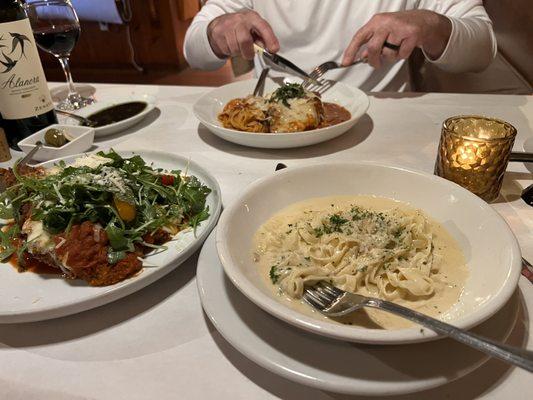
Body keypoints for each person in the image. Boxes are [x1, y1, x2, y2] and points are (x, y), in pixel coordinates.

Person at [184, 0, 497, 92]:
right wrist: (216, 30)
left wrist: (429, 24)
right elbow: (194, 53)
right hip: (269, 127)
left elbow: (482, 49)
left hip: (382, 126)